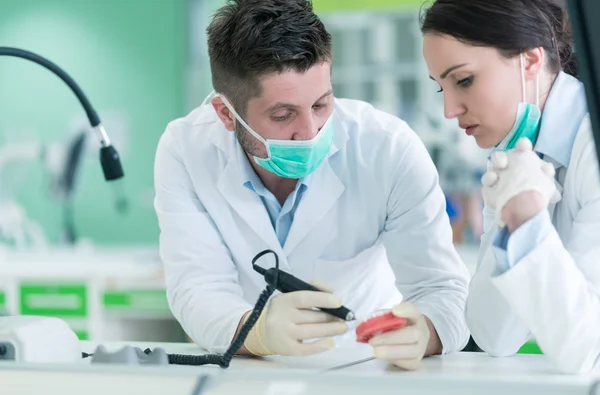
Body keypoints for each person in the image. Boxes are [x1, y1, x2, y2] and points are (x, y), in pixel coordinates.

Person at [153, 0, 470, 370]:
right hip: (249, 371)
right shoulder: (186, 150)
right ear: (226, 113)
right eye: (283, 114)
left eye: (321, 104)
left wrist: (425, 332)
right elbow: (196, 289)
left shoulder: (387, 148)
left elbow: (444, 291)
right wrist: (257, 332)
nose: (309, 132)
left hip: (366, 369)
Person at [421, 0, 600, 373]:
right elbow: (494, 336)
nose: (449, 110)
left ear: (530, 62)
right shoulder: (516, 156)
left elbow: (589, 349)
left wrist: (528, 219)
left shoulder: (591, 146)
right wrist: (512, 222)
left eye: (464, 80)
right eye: (441, 88)